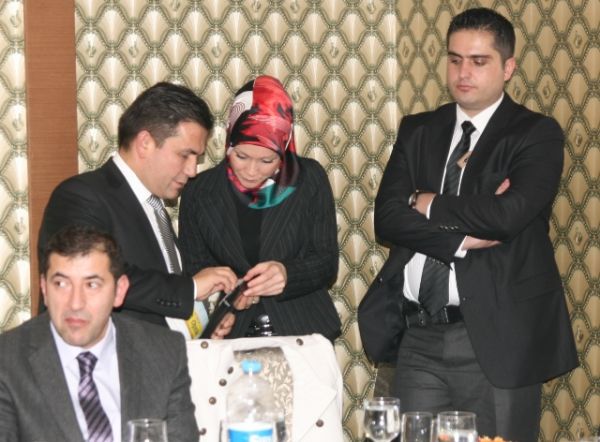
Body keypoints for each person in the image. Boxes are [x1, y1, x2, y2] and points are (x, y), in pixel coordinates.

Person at [374, 8, 577, 441]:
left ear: (508, 67)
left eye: (479, 61)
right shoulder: (418, 129)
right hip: (419, 335)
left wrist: (426, 202)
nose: (463, 72)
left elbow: (506, 217)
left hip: (497, 337)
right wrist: (460, 240)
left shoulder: (536, 134)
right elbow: (387, 219)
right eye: (455, 59)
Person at [39, 82, 238, 339]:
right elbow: (94, 279)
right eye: (185, 155)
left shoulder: (154, 205)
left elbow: (159, 302)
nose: (192, 170)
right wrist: (190, 288)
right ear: (145, 143)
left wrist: (205, 322)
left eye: (196, 159)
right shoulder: (80, 196)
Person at [179, 75, 341, 341]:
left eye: (267, 160)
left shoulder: (309, 179)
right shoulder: (199, 190)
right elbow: (195, 270)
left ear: (284, 148)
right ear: (229, 139)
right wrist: (229, 294)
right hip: (231, 333)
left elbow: (326, 262)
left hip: (303, 329)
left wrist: (288, 274)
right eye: (241, 156)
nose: (252, 171)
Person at [0, 225, 199, 441]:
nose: (75, 303)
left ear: (119, 291)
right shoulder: (8, 360)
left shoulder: (163, 351)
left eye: (92, 285)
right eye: (61, 284)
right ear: (44, 289)